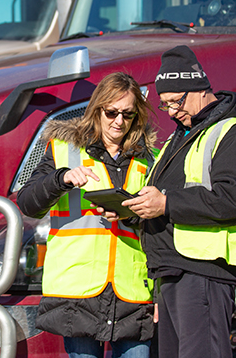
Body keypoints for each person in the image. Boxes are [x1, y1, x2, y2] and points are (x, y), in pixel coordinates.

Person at [109, 45, 236, 358]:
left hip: (202, 272)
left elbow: (235, 200)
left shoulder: (234, 132)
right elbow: (162, 197)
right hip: (171, 270)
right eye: (165, 104)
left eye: (175, 102)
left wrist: (165, 204)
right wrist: (131, 210)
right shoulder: (182, 135)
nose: (170, 112)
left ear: (197, 90)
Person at [17, 72, 157, 358]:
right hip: (77, 289)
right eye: (111, 112)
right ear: (97, 110)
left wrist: (130, 215)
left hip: (133, 290)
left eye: (127, 115)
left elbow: (160, 225)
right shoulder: (63, 150)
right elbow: (28, 203)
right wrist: (62, 179)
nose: (119, 121)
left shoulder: (149, 159)